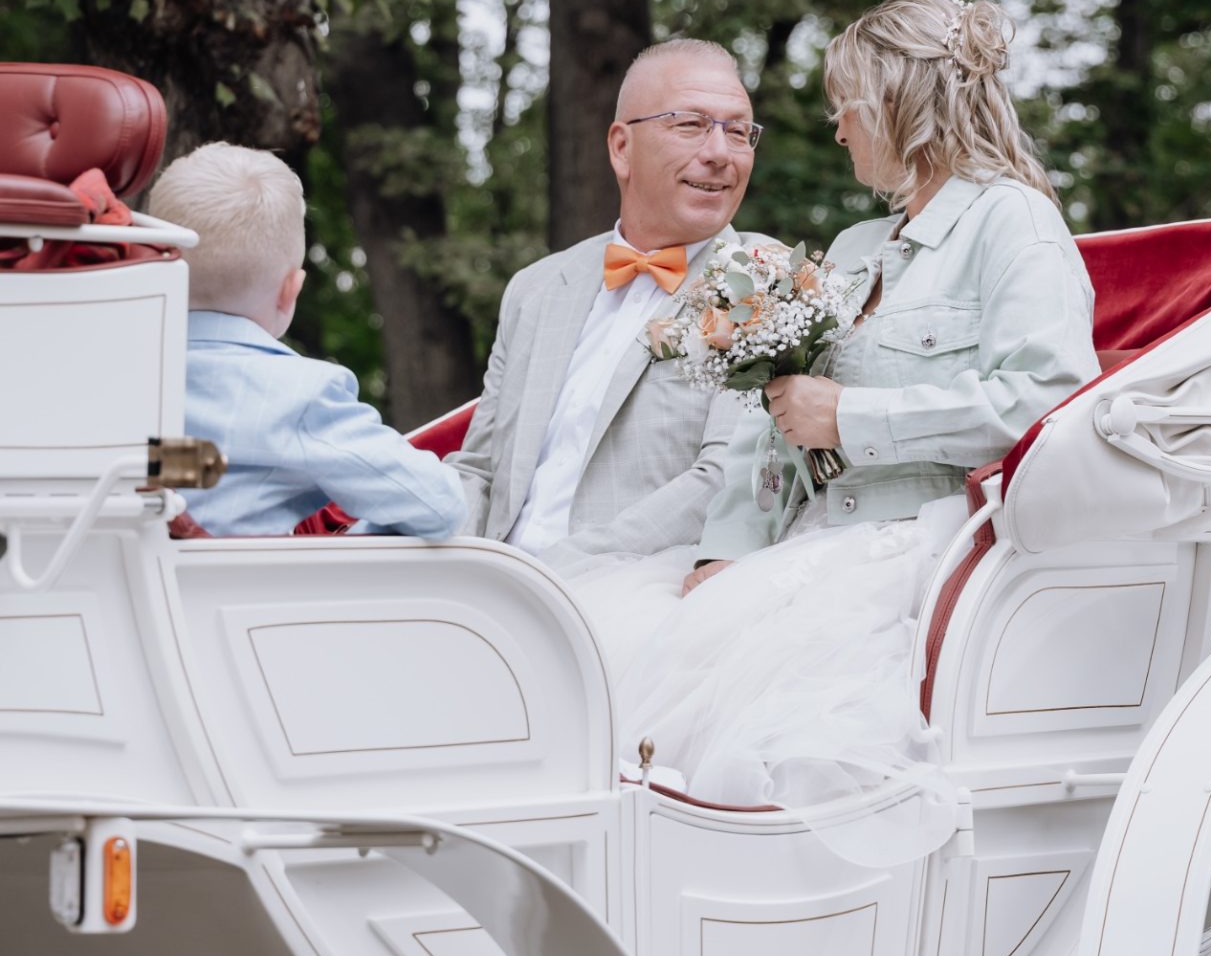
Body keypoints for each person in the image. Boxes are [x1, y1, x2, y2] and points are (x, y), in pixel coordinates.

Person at [579, 0, 1101, 811]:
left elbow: (1050, 400)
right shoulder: (858, 247)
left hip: (919, 549)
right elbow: (771, 419)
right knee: (607, 642)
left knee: (747, 725)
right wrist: (726, 548)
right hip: (808, 541)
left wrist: (851, 419)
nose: (838, 130)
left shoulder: (1015, 222)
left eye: (845, 107)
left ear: (893, 103)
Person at [444, 39, 778, 573]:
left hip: (637, 585)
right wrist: (447, 571)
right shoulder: (536, 288)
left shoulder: (763, 279)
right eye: (691, 124)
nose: (720, 152)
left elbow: (726, 475)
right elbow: (480, 468)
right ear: (622, 147)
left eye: (738, 131)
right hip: (489, 585)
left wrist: (544, 576)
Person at [148, 143, 467, 539]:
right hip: (230, 581)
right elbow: (440, 506)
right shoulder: (300, 397)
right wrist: (350, 540)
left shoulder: (99, 376)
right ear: (289, 291)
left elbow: (163, 465)